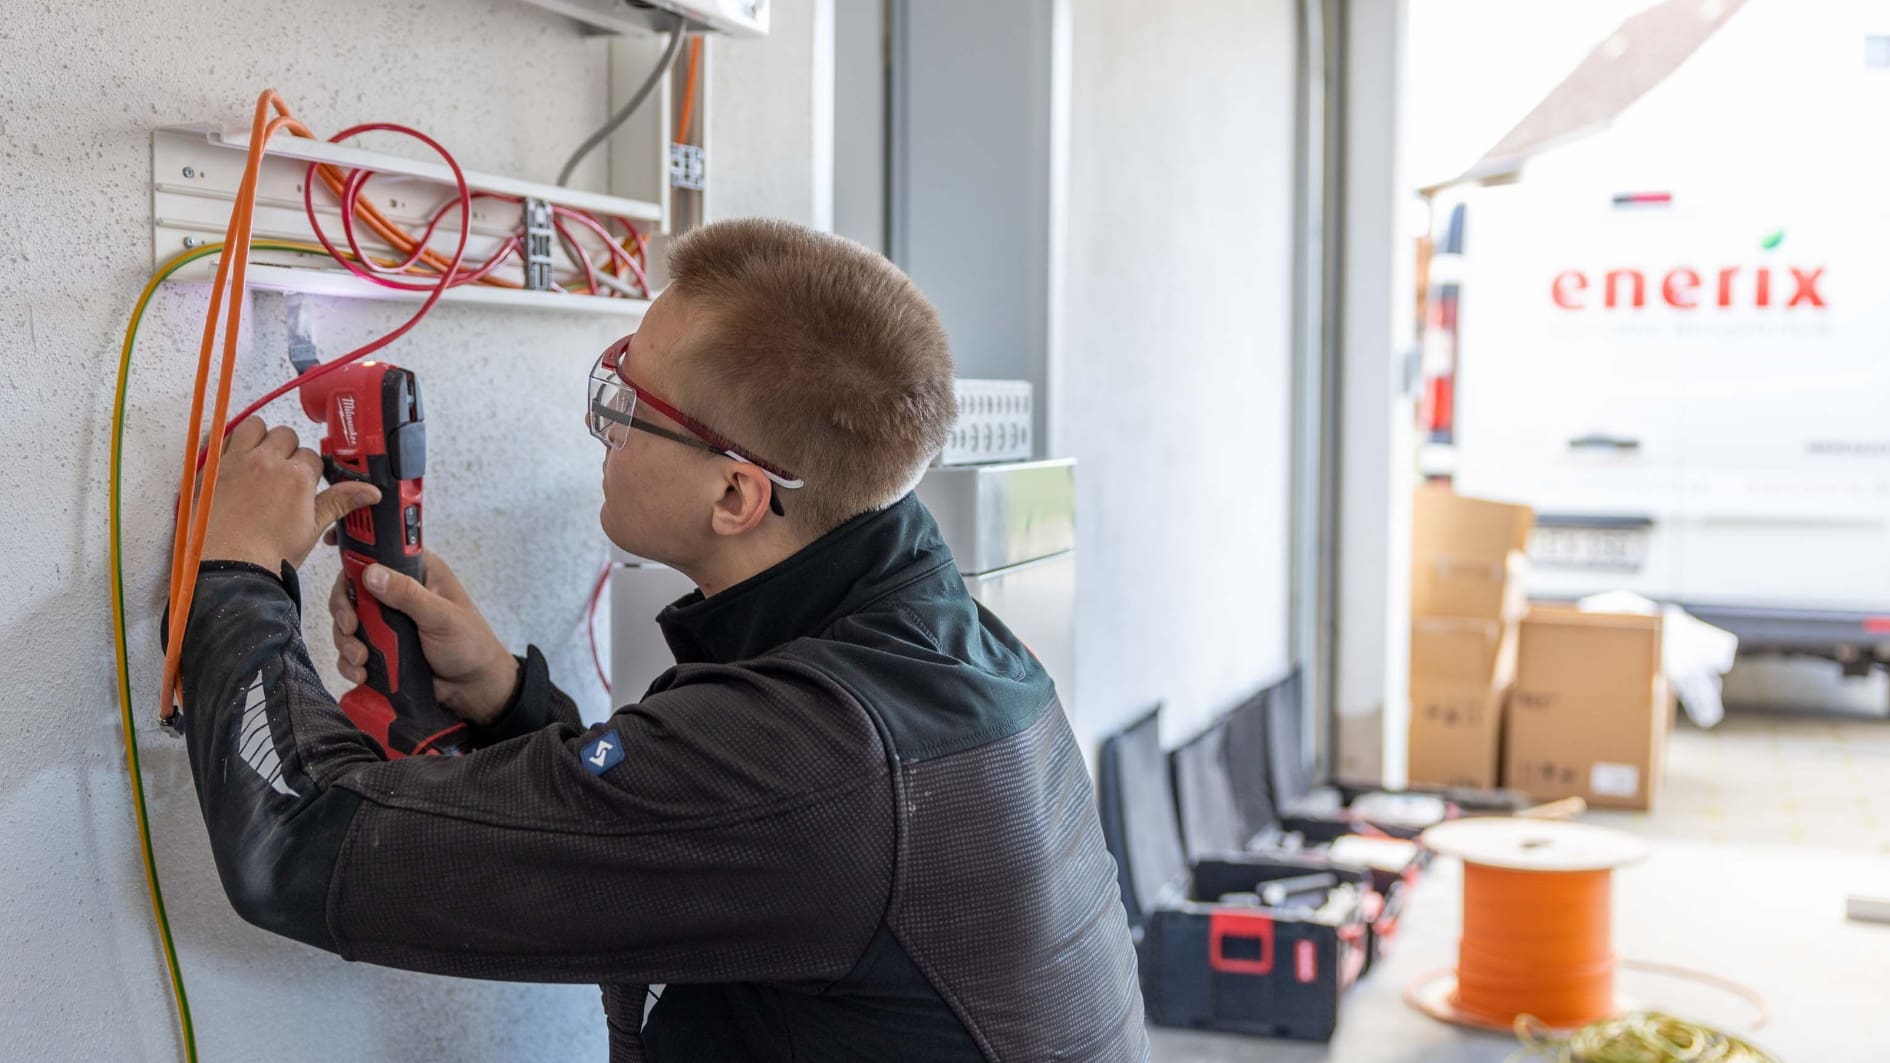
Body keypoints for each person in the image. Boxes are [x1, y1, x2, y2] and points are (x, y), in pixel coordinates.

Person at [179, 218, 1148, 1062]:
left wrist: (239, 572)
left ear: (737, 493)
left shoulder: (808, 764)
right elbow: (679, 828)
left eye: (628, 407)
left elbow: (297, 841)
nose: (604, 430)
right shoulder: (934, 644)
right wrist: (510, 701)